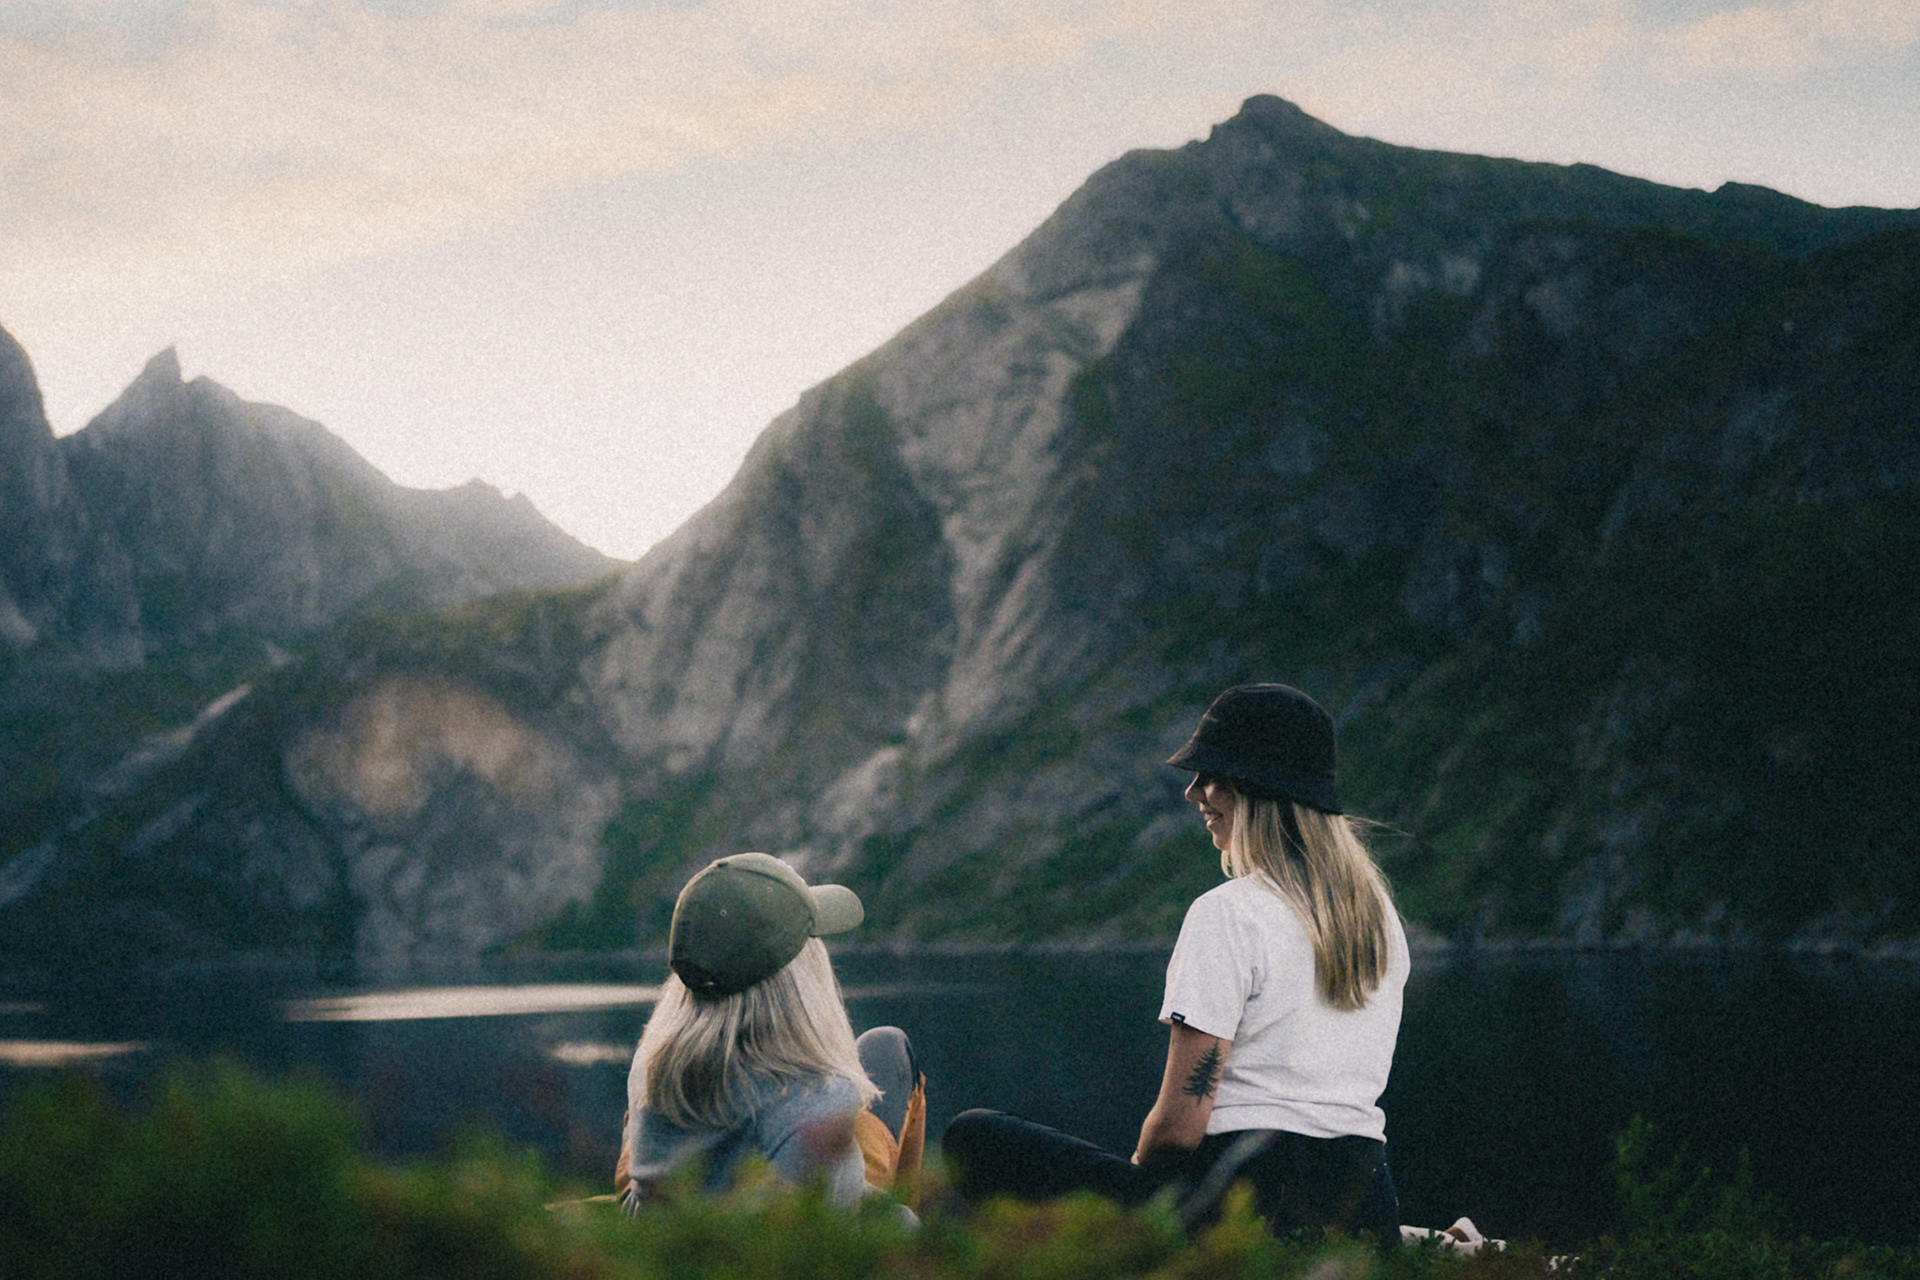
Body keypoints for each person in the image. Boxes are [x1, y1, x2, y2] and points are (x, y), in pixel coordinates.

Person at [942, 683, 1408, 1242]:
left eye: (1211, 776)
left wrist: (1137, 1182)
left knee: (976, 1137)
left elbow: (1178, 1129)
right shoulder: (1377, 919)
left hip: (1246, 1208)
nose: (1193, 793)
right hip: (1366, 1209)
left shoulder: (1229, 913)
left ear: (1257, 788)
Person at [616, 852, 925, 1214]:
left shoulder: (651, 1066)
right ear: (798, 979)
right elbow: (836, 1228)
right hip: (775, 1230)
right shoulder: (819, 1102)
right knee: (887, 1048)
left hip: (665, 1219)